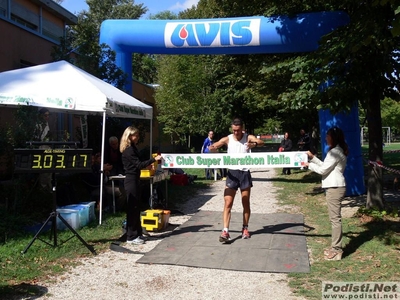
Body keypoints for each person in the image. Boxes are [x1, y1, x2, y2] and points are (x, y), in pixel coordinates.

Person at [208, 118, 265, 242]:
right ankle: (225, 231)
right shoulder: (228, 138)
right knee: (228, 203)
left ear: (242, 129)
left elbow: (261, 142)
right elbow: (216, 145)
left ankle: (245, 228)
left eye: (238, 130)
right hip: (232, 174)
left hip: (244, 173)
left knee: (245, 202)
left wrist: (253, 144)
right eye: (234, 130)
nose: (236, 133)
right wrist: (212, 148)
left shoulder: (248, 137)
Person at [304, 127, 348, 261]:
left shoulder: (334, 152)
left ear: (334, 137)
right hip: (335, 186)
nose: (325, 138)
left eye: (327, 136)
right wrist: (313, 158)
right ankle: (335, 247)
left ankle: (336, 249)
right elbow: (326, 166)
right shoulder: (337, 151)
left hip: (335, 188)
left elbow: (323, 170)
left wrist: (308, 165)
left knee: (335, 220)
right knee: (334, 219)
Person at [120, 126, 162, 245]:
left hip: (136, 179)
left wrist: (147, 165)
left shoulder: (133, 148)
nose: (137, 137)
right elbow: (138, 164)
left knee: (136, 208)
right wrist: (153, 159)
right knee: (132, 209)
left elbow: (138, 164)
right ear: (129, 136)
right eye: (135, 135)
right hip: (131, 180)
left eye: (138, 135)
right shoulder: (128, 150)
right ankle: (131, 236)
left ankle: (137, 233)